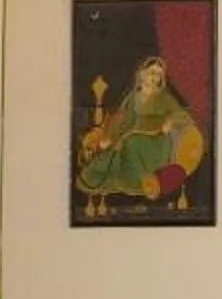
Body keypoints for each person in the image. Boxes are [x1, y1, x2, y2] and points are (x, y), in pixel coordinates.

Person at [76, 54, 205, 212]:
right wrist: (109, 139)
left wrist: (169, 122)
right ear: (142, 74)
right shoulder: (133, 97)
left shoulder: (164, 97)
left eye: (158, 74)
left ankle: (138, 183)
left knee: (131, 144)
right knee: (100, 163)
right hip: (129, 138)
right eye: (152, 73)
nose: (155, 77)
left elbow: (182, 116)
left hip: (156, 144)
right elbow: (123, 122)